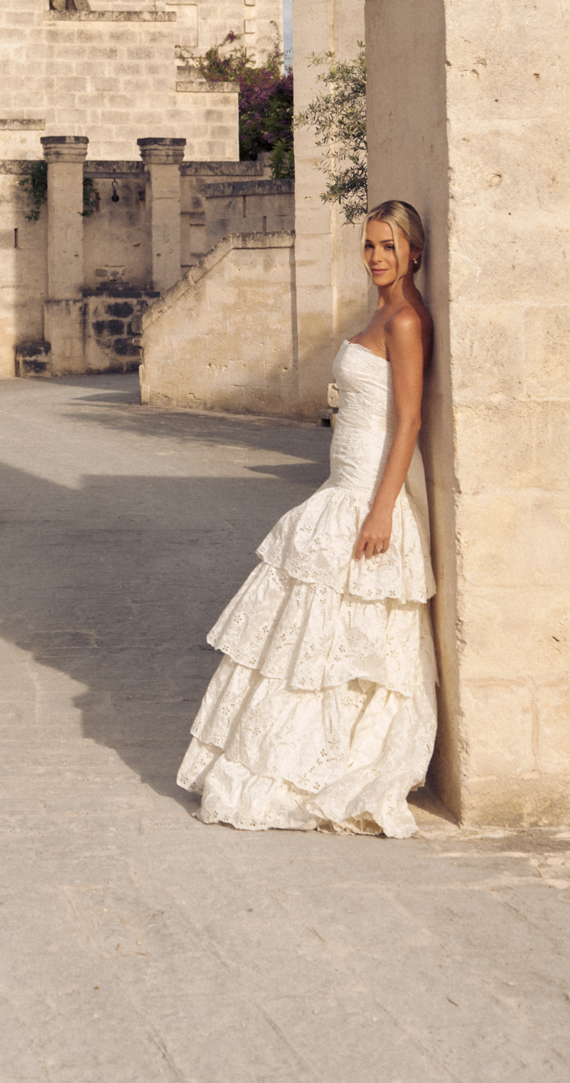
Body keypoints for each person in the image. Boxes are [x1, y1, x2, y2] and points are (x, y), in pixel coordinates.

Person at [177, 200, 437, 837]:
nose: (376, 258)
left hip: (366, 496)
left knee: (347, 638)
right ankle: (306, 757)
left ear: (414, 253)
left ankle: (339, 765)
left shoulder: (405, 321)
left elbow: (408, 421)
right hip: (342, 485)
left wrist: (380, 511)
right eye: (369, 246)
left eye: (387, 247)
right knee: (313, 636)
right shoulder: (381, 310)